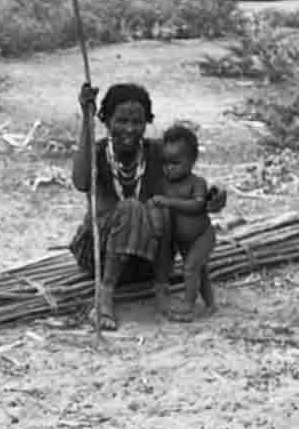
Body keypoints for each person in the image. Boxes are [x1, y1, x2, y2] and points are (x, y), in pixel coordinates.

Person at [71, 81, 167, 329]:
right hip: (97, 256)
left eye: (138, 122)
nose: (130, 129)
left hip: (142, 259)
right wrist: (86, 118)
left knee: (160, 211)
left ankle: (163, 287)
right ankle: (104, 296)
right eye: (121, 121)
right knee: (131, 208)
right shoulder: (98, 153)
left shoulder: (157, 153)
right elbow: (81, 182)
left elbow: (185, 190)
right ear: (107, 120)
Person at [147, 123, 227, 322]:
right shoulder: (164, 184)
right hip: (183, 241)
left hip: (201, 236)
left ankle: (188, 306)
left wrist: (168, 202)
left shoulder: (196, 183)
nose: (169, 168)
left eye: (176, 163)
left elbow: (197, 206)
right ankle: (210, 305)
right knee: (201, 271)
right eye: (165, 163)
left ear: (192, 161)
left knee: (190, 268)